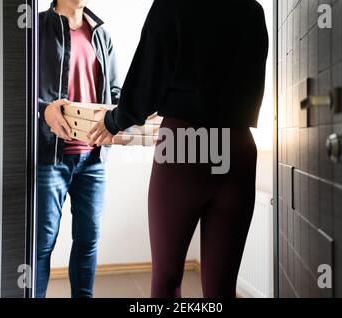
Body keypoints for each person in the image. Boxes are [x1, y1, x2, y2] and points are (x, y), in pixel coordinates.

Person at [89, 0, 268, 298]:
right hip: (239, 149)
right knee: (222, 287)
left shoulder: (172, 6)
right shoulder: (253, 9)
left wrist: (113, 120)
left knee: (168, 276)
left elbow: (145, 83)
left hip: (185, 145)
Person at [36, 0, 121, 298]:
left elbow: (115, 92)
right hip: (50, 158)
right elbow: (22, 90)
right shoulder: (38, 28)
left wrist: (130, 114)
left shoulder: (101, 34)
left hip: (94, 158)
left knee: (88, 240)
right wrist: (44, 110)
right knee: (41, 244)